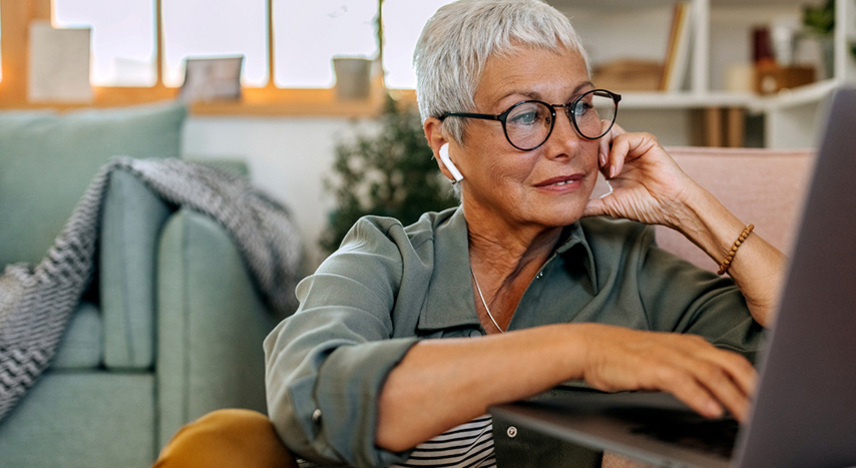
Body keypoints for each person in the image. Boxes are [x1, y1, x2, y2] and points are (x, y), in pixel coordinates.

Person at [153, 1, 785, 467]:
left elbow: (806, 370)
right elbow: (313, 395)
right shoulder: (387, 257)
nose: (569, 143)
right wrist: (581, 350)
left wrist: (691, 207)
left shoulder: (632, 271)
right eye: (527, 116)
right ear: (446, 144)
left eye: (582, 107)